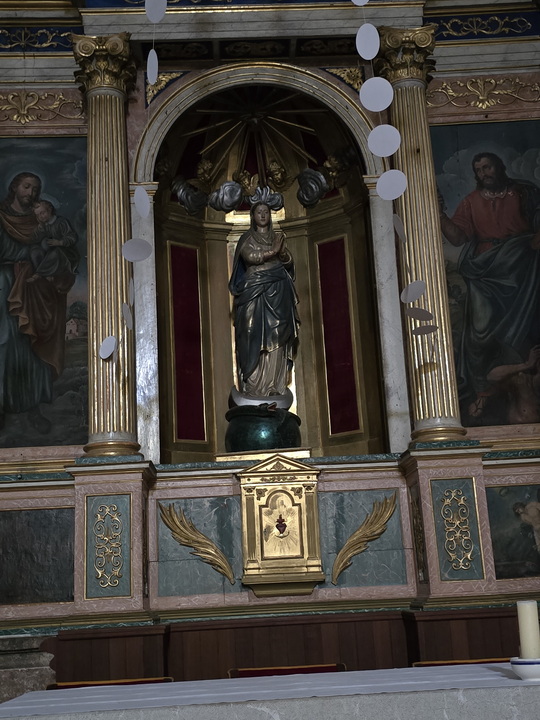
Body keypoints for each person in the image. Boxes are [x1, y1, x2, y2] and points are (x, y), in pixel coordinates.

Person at [439, 152, 540, 423]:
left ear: (500, 166)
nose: (484, 173)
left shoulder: (524, 192)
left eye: (488, 167)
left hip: (523, 267)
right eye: (479, 170)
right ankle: (483, 391)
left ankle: (526, 387)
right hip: (485, 272)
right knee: (479, 332)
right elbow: (458, 238)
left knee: (529, 326)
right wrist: (440, 215)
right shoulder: (471, 202)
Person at [0, 172, 74, 433]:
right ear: (14, 187)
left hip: (35, 288)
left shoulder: (39, 218)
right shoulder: (1, 216)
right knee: (6, 344)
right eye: (26, 186)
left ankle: (33, 408)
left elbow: (63, 251)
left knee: (33, 347)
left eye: (35, 188)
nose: (30, 192)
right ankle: (2, 405)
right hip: (5, 286)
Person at [228, 201, 299, 399]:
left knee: (278, 334)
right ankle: (253, 385)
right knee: (250, 331)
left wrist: (282, 253)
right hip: (253, 290)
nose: (262, 215)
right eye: (259, 212)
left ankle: (274, 384)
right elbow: (249, 256)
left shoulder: (277, 238)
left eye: (266, 212)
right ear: (253, 216)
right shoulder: (247, 238)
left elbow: (289, 261)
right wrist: (272, 252)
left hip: (278, 290)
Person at [27, 200, 79, 284]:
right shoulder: (44, 225)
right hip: (49, 250)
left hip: (66, 253)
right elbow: (34, 239)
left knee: (55, 252)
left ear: (50, 210)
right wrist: (39, 229)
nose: (41, 216)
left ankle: (38, 274)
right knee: (35, 251)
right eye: (38, 215)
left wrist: (59, 242)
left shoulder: (61, 222)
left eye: (42, 213)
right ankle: (47, 274)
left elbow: (72, 237)